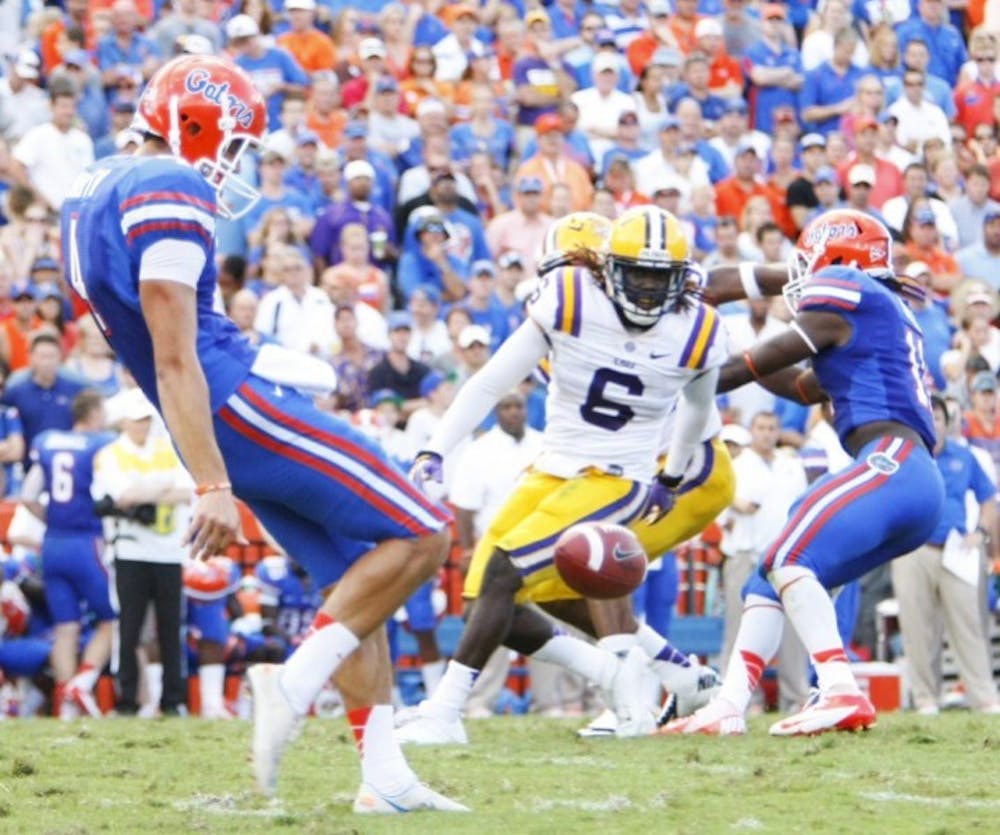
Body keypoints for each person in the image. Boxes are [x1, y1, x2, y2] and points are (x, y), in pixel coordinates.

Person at [60, 55, 463, 814]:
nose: (235, 164)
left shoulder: (95, 185)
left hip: (213, 408)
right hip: (233, 402)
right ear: (196, 123)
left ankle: (384, 776)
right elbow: (177, 354)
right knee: (425, 531)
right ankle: (294, 682)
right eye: (234, 142)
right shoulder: (169, 188)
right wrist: (213, 483)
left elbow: (157, 349)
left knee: (356, 575)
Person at [399, 207, 730, 744]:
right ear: (605, 268)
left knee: (507, 572)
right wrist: (436, 446)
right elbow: (490, 382)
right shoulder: (570, 299)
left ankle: (445, 712)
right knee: (485, 591)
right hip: (553, 468)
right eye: (636, 274)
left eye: (659, 278)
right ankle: (630, 674)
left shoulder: (698, 330)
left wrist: (669, 477)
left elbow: (696, 409)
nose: (647, 291)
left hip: (615, 478)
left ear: (681, 279)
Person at [663, 208, 946, 737]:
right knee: (766, 577)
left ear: (837, 258)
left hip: (892, 460)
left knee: (789, 554)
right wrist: (725, 355)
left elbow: (761, 360)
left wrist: (691, 374)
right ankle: (729, 704)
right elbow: (801, 386)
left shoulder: (848, 287)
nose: (805, 273)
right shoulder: (880, 311)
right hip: (905, 475)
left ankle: (839, 687)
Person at [891, 395, 1000, 715]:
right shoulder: (906, 457)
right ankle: (926, 696)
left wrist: (980, 533)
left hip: (956, 548)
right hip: (913, 549)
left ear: (946, 422)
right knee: (916, 626)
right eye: (929, 418)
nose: (934, 424)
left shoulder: (965, 457)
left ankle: (983, 696)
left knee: (969, 625)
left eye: (939, 418)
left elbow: (988, 499)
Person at [91, 388, 192, 717]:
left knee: (170, 627)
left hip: (168, 550)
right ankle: (128, 698)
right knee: (129, 626)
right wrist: (160, 488)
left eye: (146, 420)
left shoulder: (167, 450)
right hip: (130, 550)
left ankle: (173, 700)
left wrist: (146, 492)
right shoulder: (110, 454)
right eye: (136, 421)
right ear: (123, 422)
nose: (142, 427)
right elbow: (122, 495)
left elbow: (185, 491)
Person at [21, 389, 116, 718]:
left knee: (66, 626)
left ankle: (66, 706)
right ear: (93, 414)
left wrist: (55, 519)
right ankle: (84, 680)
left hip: (53, 541)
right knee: (110, 619)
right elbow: (111, 491)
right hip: (84, 541)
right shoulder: (100, 443)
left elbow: (29, 496)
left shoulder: (48, 442)